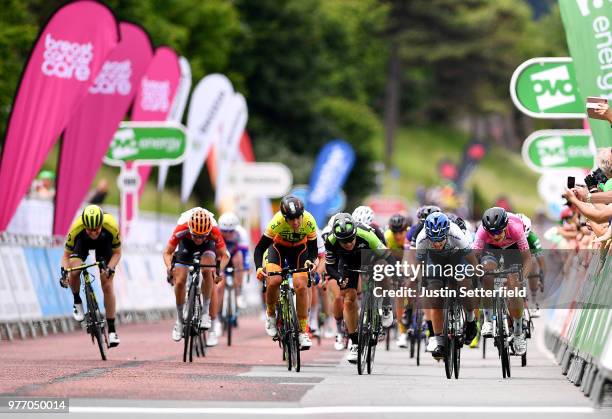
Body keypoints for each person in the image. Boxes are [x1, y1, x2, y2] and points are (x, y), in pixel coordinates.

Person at [324, 213, 394, 363]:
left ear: (355, 233)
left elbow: (388, 257)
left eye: (351, 239)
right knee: (349, 298)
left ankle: (386, 305)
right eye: (344, 242)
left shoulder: (367, 235)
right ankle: (355, 343)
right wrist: (339, 278)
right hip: (348, 264)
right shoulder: (330, 240)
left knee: (383, 268)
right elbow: (329, 266)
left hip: (372, 258)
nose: (348, 244)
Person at [254, 195, 318, 350]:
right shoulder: (276, 222)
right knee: (274, 281)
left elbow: (313, 248)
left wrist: (311, 260)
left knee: (301, 286)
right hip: (278, 249)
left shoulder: (309, 221)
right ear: (284, 217)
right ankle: (270, 315)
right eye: (291, 219)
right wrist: (258, 267)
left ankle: (303, 331)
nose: (295, 222)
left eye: (298, 218)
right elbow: (260, 248)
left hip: (299, 250)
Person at [415, 212, 479, 359]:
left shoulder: (456, 234)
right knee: (435, 298)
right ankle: (439, 340)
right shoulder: (422, 238)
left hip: (458, 256)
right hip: (435, 259)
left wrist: (475, 277)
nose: (437, 244)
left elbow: (472, 259)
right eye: (434, 240)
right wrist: (421, 282)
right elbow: (419, 265)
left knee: (465, 285)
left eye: (440, 240)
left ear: (446, 233)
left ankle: (470, 321)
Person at [163, 208, 229, 344]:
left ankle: (205, 313)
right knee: (180, 281)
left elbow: (225, 255)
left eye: (202, 236)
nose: (199, 239)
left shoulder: (213, 230)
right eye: (196, 236)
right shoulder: (182, 227)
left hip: (207, 246)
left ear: (208, 232)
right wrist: (170, 268)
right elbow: (167, 253)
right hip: (186, 244)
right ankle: (180, 321)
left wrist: (218, 271)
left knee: (207, 271)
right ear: (190, 229)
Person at [472, 207, 532, 356]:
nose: (495, 235)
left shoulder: (516, 228)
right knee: (487, 275)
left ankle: (518, 334)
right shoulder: (482, 232)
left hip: (513, 249)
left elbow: (527, 259)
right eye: (491, 232)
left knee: (513, 285)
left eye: (498, 231)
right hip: (490, 250)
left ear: (505, 226)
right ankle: (488, 321)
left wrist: (522, 278)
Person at [60, 205, 121, 347]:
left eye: (96, 229)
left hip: (104, 245)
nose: (93, 233)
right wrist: (64, 271)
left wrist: (110, 268)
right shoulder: (76, 228)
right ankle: (77, 301)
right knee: (74, 271)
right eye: (90, 229)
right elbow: (65, 256)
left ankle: (112, 331)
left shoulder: (110, 225)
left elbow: (117, 252)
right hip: (82, 243)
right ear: (84, 226)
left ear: (101, 224)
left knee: (107, 284)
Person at [516, 213, 546, 317]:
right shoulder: (509, 234)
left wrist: (541, 278)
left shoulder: (532, 238)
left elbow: (541, 261)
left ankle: (533, 299)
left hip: (527, 259)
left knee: (533, 263)